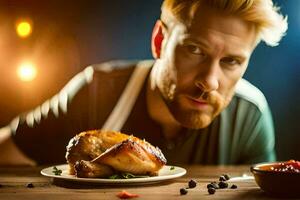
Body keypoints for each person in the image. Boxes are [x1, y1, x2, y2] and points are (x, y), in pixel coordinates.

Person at [0, 0, 287, 166]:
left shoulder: (250, 116)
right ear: (160, 41)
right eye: (195, 50)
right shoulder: (97, 91)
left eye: (231, 62)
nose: (210, 82)